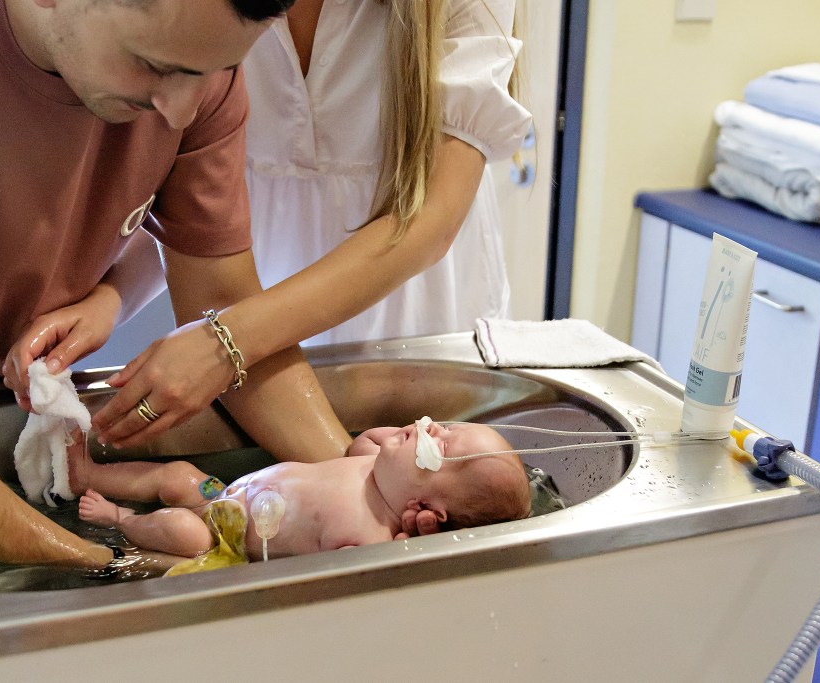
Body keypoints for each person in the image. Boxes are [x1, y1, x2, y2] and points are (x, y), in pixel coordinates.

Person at [0, 0, 353, 573]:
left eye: (213, 72)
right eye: (154, 65)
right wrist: (116, 561)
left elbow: (223, 307)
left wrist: (367, 487)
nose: (180, 111)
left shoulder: (198, 57)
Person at [84, 0, 532, 450]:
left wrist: (226, 342)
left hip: (421, 331)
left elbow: (430, 219)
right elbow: (201, 197)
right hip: (263, 338)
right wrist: (113, 294)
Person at [72, 419, 532, 567]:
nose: (429, 426)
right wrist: (407, 437)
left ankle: (120, 522)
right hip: (223, 496)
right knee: (176, 477)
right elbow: (366, 439)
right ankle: (85, 472)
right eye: (444, 425)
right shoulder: (375, 461)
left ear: (427, 512)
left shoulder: (372, 535)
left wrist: (405, 549)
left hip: (224, 542)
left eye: (442, 444)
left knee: (185, 538)